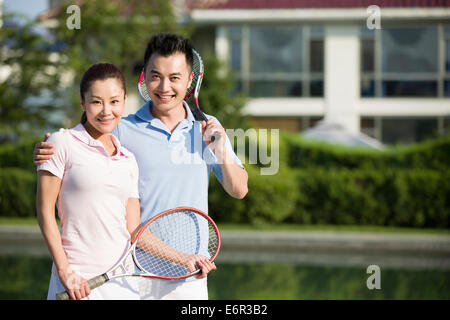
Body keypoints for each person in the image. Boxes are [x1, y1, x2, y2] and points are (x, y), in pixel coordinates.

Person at [34, 33, 248, 300]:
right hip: (131, 274)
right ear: (144, 77)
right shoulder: (122, 128)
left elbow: (239, 190)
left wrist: (221, 151)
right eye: (155, 76)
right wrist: (46, 148)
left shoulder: (209, 128)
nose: (164, 86)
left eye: (174, 78)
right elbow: (75, 149)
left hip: (188, 275)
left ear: (190, 80)